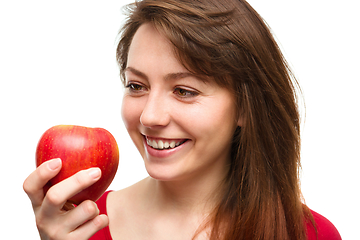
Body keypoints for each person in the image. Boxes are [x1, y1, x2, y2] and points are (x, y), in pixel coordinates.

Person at [23, 0, 342, 239]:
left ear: (246, 107)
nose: (150, 116)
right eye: (136, 86)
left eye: (184, 90)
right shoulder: (80, 227)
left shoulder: (310, 234)